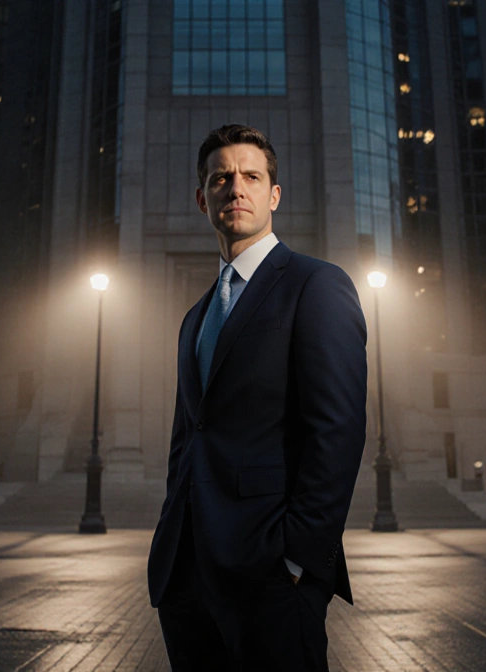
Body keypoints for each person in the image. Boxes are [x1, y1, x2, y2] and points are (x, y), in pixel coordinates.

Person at [147, 124, 368, 671]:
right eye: (220, 178)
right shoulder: (196, 316)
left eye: (251, 176)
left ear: (274, 195)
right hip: (187, 578)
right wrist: (171, 541)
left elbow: (337, 431)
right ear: (203, 199)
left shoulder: (316, 285)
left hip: (271, 574)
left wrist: (298, 559)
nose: (235, 188)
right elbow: (188, 438)